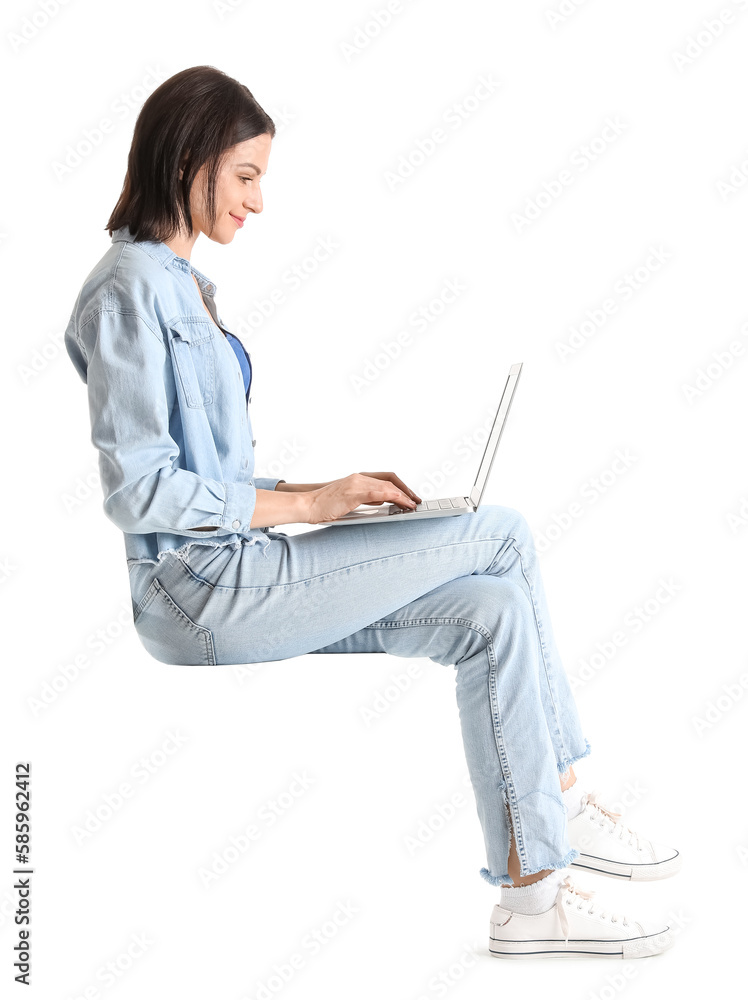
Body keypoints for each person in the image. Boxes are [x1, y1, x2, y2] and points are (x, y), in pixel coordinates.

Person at [63, 65, 681, 960]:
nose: (260, 201)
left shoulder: (178, 284)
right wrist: (308, 504)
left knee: (490, 612)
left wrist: (333, 496)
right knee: (501, 533)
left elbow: (213, 474)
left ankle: (533, 901)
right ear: (189, 158)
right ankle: (563, 793)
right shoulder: (128, 289)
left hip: (237, 569)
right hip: (198, 590)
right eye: (245, 175)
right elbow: (141, 492)